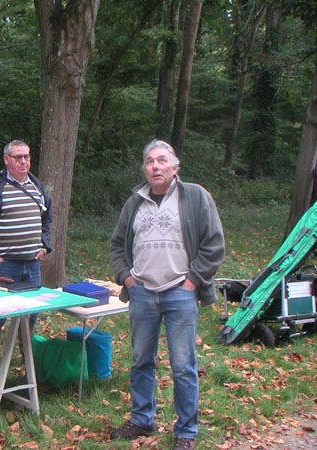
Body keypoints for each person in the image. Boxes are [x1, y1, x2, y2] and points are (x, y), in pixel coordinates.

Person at [109, 139, 225, 450]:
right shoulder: (135, 201)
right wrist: (127, 278)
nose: (155, 166)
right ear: (145, 168)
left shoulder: (195, 197)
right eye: (150, 161)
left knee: (183, 365)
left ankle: (186, 433)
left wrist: (193, 281)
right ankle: (142, 419)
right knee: (140, 361)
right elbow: (118, 245)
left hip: (180, 293)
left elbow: (214, 245)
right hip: (143, 293)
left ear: (175, 167)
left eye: (162, 160)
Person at [0, 140, 52, 380]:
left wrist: (45, 245)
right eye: (18, 157)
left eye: (26, 156)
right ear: (6, 160)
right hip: (5, 266)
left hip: (32, 264)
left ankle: (28, 368)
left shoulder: (37, 186)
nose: (23, 161)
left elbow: (47, 219)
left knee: (31, 315)